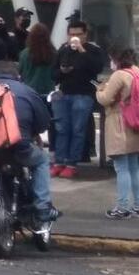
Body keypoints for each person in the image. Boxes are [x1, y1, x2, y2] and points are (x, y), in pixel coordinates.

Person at [0, 61, 60, 223]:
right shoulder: (27, 91)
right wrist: (33, 131)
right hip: (18, 146)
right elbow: (43, 122)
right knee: (42, 160)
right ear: (18, 76)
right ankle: (43, 207)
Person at [51, 20, 107, 179]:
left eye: (78, 34)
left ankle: (72, 163)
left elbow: (96, 68)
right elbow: (53, 74)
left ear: (85, 34)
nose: (74, 38)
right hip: (64, 94)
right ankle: (59, 162)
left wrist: (82, 50)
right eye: (71, 34)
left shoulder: (93, 50)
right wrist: (62, 72)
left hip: (83, 94)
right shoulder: (63, 49)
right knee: (62, 129)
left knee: (78, 130)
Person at [96, 49, 139, 219]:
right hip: (135, 123)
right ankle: (137, 206)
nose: (110, 63)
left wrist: (99, 90)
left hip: (119, 123)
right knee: (134, 167)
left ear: (117, 60)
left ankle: (122, 207)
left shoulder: (118, 75)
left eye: (111, 60)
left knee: (121, 168)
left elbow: (106, 98)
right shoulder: (136, 72)